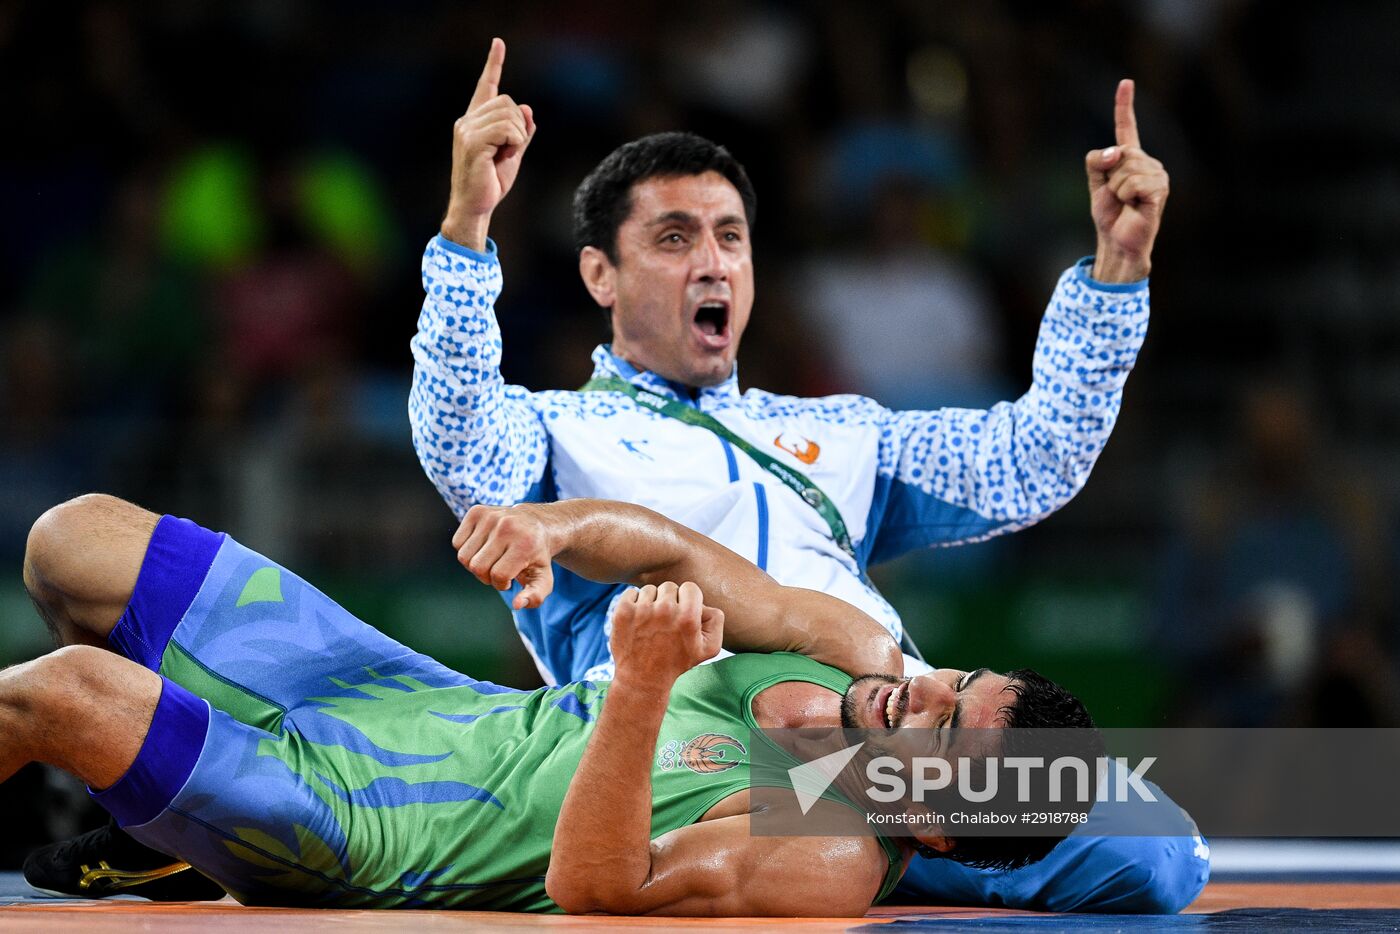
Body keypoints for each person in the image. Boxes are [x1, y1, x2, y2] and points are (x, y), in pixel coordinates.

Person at [407, 39, 1204, 912]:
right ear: (600, 271)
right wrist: (465, 232)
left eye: (730, 237)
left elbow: (1030, 459)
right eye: (673, 239)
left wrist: (1117, 273)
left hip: (900, 739)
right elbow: (462, 447)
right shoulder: (553, 427)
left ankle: (878, 851)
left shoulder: (841, 429)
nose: (711, 262)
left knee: (1157, 852)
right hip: (701, 747)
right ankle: (824, 857)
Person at [14, 493, 1093, 913]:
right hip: (413, 700)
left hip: (374, 826)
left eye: (944, 726)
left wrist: (640, 686)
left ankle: (200, 807)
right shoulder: (850, 643)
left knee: (63, 696)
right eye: (957, 680)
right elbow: (671, 546)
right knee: (72, 546)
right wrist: (553, 529)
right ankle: (169, 819)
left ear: (936, 819)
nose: (923, 687)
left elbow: (594, 889)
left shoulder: (825, 856)